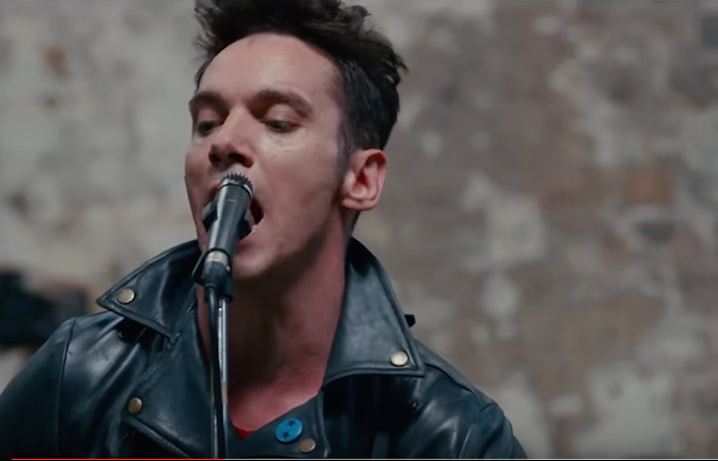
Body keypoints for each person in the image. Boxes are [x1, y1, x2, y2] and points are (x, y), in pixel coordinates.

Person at [0, 0, 526, 458]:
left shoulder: (450, 436)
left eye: (277, 122)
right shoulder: (80, 373)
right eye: (207, 123)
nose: (224, 143)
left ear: (361, 179)